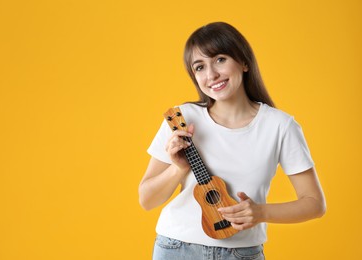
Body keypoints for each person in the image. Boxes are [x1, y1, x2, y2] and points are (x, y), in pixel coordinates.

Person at [139, 22, 326, 260]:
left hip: (242, 254)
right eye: (199, 67)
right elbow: (147, 200)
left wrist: (260, 213)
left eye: (220, 59)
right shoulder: (182, 119)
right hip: (176, 248)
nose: (211, 75)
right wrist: (178, 169)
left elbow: (314, 204)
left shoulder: (280, 126)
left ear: (244, 62)